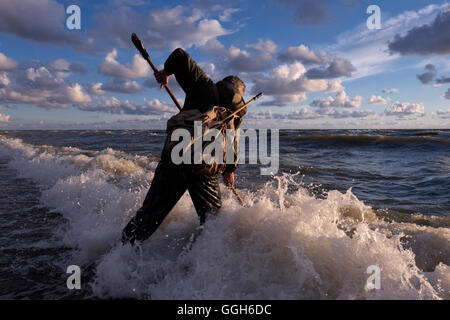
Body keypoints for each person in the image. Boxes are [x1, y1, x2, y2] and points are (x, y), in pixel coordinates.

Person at [122, 48, 247, 245]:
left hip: (176, 156)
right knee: (213, 222)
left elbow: (179, 55)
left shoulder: (203, 84)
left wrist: (165, 73)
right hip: (203, 167)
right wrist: (229, 171)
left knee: (148, 217)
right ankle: (202, 266)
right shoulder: (234, 112)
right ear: (239, 95)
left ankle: (117, 256)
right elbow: (231, 142)